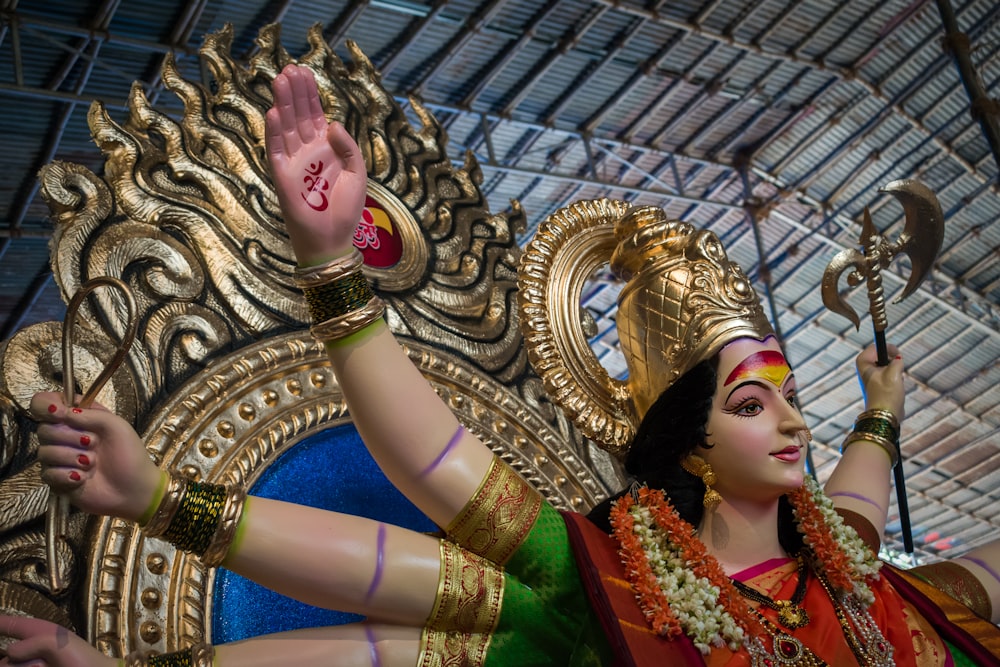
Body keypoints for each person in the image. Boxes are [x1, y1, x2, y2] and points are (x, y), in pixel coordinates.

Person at [2, 63, 999, 667]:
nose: (791, 424)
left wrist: (879, 413)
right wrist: (328, 263)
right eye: (752, 402)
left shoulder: (849, 570)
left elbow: (858, 503)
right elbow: (431, 463)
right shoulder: (610, 585)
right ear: (693, 448)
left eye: (787, 400)